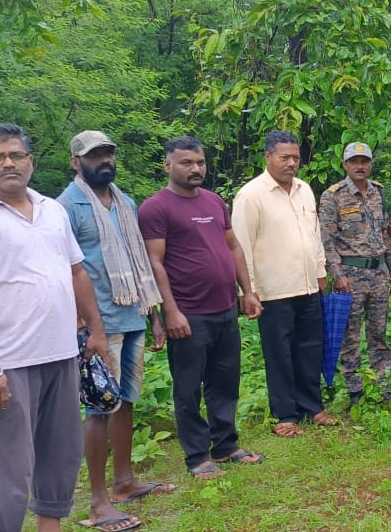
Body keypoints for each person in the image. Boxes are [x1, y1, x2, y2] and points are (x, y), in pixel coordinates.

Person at [0, 124, 110, 532]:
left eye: (16, 155)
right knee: (9, 471)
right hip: (8, 365)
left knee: (61, 455)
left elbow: (77, 273)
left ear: (30, 162)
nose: (9, 163)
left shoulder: (52, 210)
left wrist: (97, 332)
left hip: (61, 354)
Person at [58, 130, 173, 529]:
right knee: (98, 406)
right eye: (94, 155)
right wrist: (90, 329)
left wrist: (154, 315)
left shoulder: (125, 202)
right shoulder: (66, 208)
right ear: (76, 162)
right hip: (98, 325)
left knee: (125, 400)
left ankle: (125, 482)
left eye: (108, 153)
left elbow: (140, 260)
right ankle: (98, 501)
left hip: (134, 315)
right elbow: (65, 272)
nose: (104, 160)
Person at [140, 136, 264, 480]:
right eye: (186, 163)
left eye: (199, 162)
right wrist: (171, 311)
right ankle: (197, 457)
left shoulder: (213, 201)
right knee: (188, 387)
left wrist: (247, 291)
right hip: (189, 313)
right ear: (168, 165)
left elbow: (233, 247)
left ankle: (225, 445)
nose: (195, 169)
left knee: (224, 382)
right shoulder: (155, 208)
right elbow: (155, 262)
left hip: (225, 308)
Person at [231, 131, 336, 436]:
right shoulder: (251, 195)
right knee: (279, 353)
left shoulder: (304, 190)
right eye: (284, 157)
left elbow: (314, 236)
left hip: (307, 286)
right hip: (273, 290)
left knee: (309, 350)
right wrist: (246, 291)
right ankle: (285, 415)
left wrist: (320, 272)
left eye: (296, 158)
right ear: (268, 157)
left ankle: (312, 408)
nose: (292, 163)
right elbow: (241, 246)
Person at [319, 142, 391, 407]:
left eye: (364, 161)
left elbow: (386, 234)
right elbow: (326, 240)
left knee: (379, 332)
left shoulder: (379, 192)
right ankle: (354, 390)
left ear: (371, 164)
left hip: (379, 274)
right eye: (354, 162)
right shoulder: (333, 196)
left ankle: (383, 384)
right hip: (350, 275)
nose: (360, 166)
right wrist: (336, 274)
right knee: (349, 335)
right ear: (345, 165)